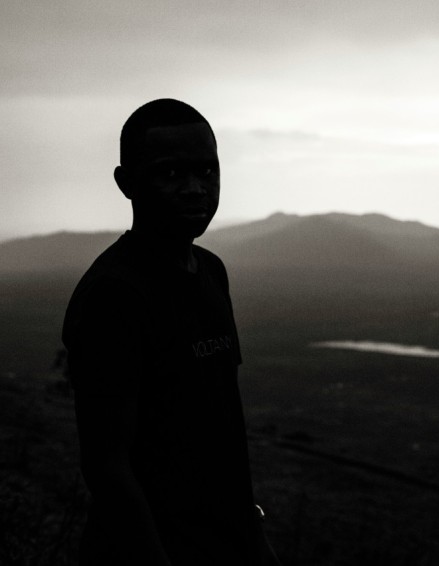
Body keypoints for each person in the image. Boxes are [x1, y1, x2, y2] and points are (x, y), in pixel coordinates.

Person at [62, 99, 281, 566]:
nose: (194, 189)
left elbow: (223, 426)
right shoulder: (115, 293)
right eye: (170, 174)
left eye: (206, 171)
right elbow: (106, 465)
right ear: (126, 184)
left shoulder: (211, 272)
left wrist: (253, 535)